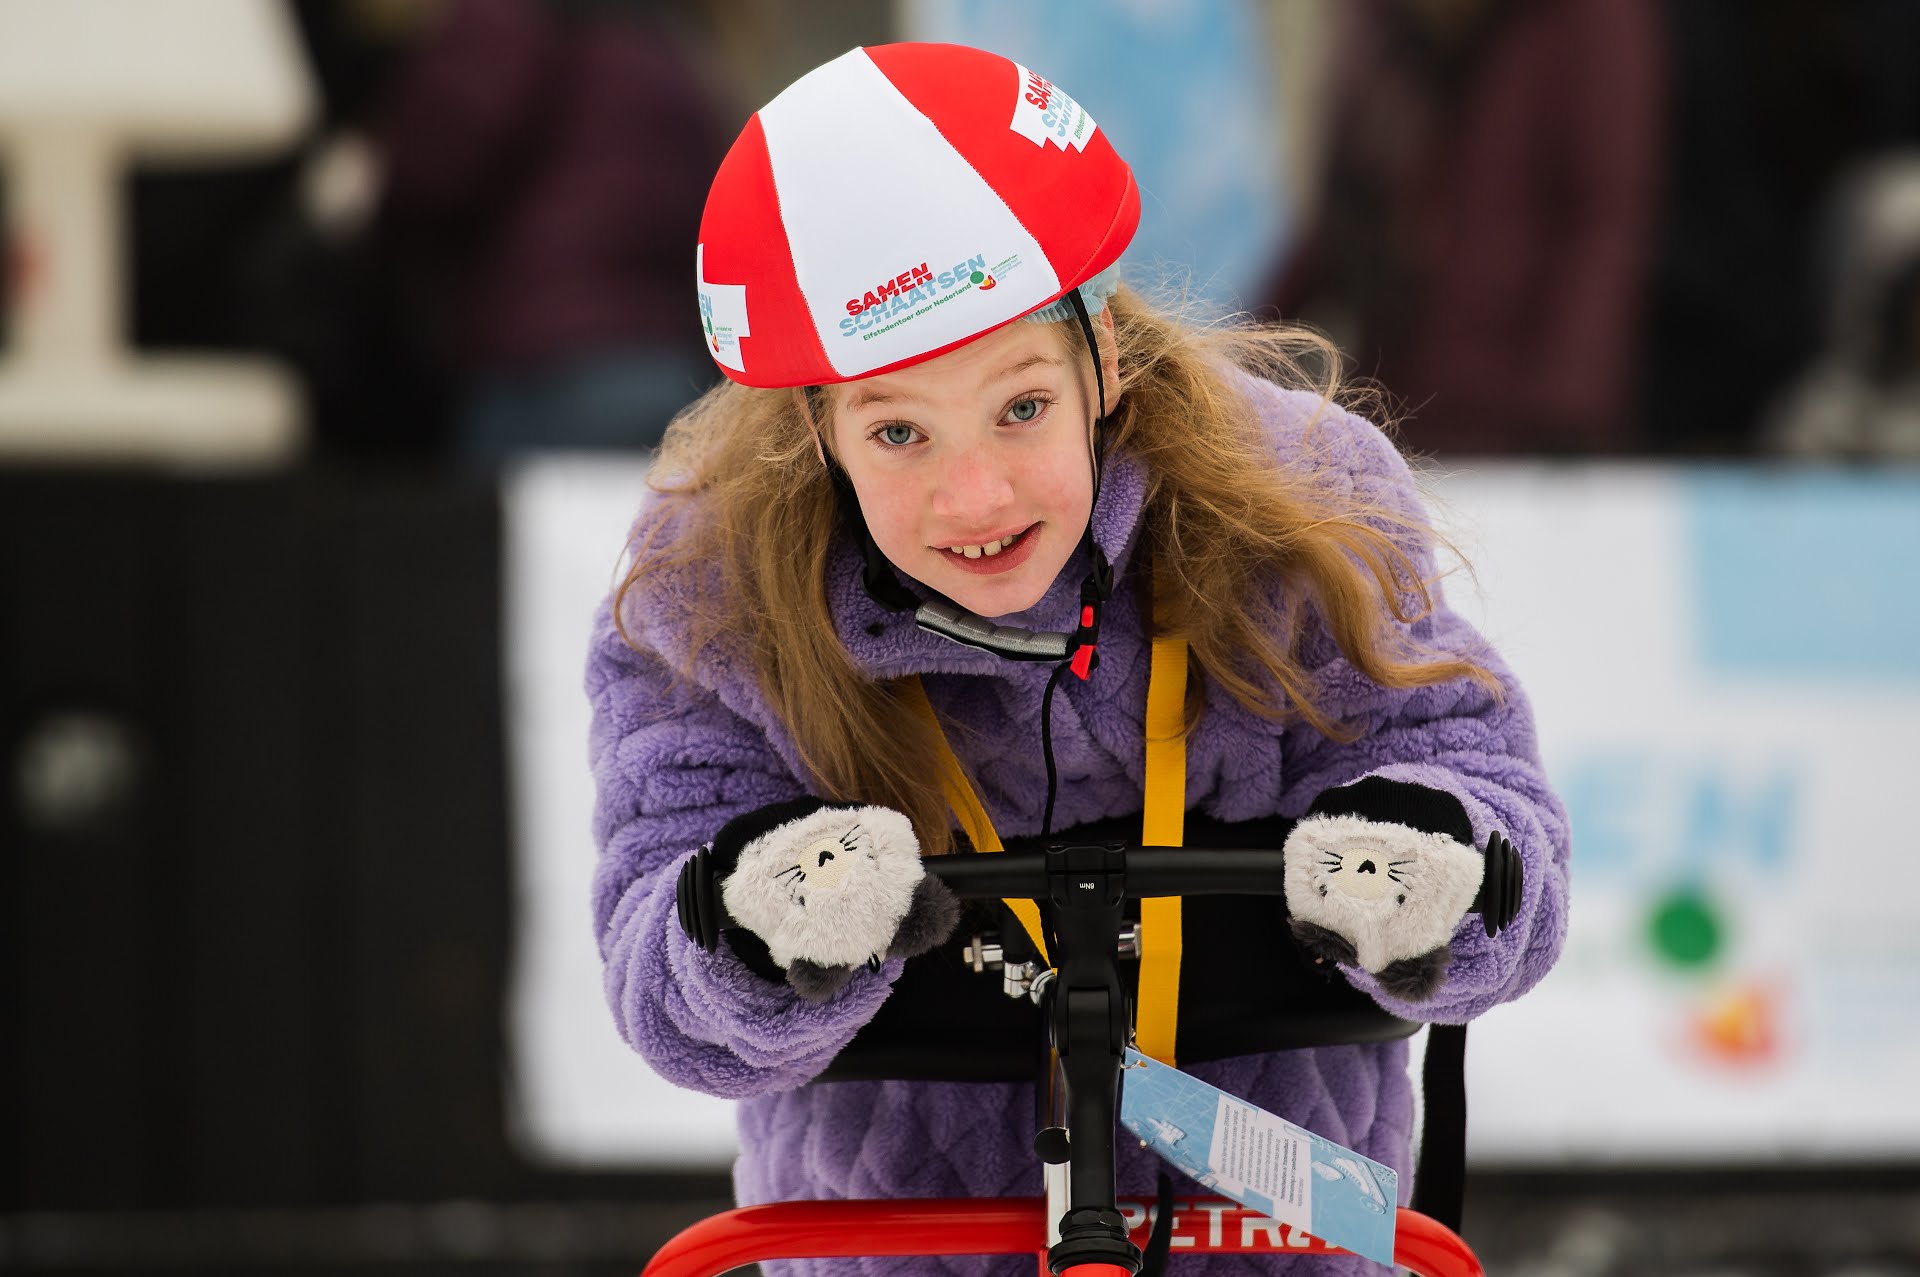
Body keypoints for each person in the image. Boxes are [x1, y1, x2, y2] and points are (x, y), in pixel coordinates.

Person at [589, 44, 1569, 1275]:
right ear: (814, 427)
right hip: (899, 1244)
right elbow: (659, 968)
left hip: (1270, 1232)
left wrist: (1437, 862)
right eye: (898, 429)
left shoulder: (1296, 498)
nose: (975, 493)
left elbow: (1482, 801)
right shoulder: (712, 584)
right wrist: (751, 924)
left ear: (1102, 358)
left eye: (1021, 406)